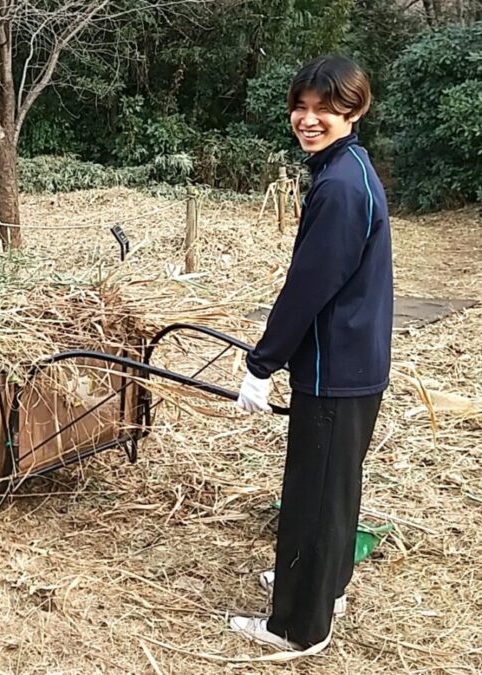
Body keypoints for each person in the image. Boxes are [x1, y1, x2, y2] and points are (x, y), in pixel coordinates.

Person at [231, 55, 393, 652]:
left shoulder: (341, 187)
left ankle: (298, 625)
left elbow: (309, 285)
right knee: (335, 485)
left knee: (314, 490)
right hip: (355, 359)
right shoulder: (345, 166)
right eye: (301, 107)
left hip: (335, 366)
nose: (308, 119)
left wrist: (261, 363)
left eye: (325, 109)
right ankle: (323, 582)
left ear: (353, 110)